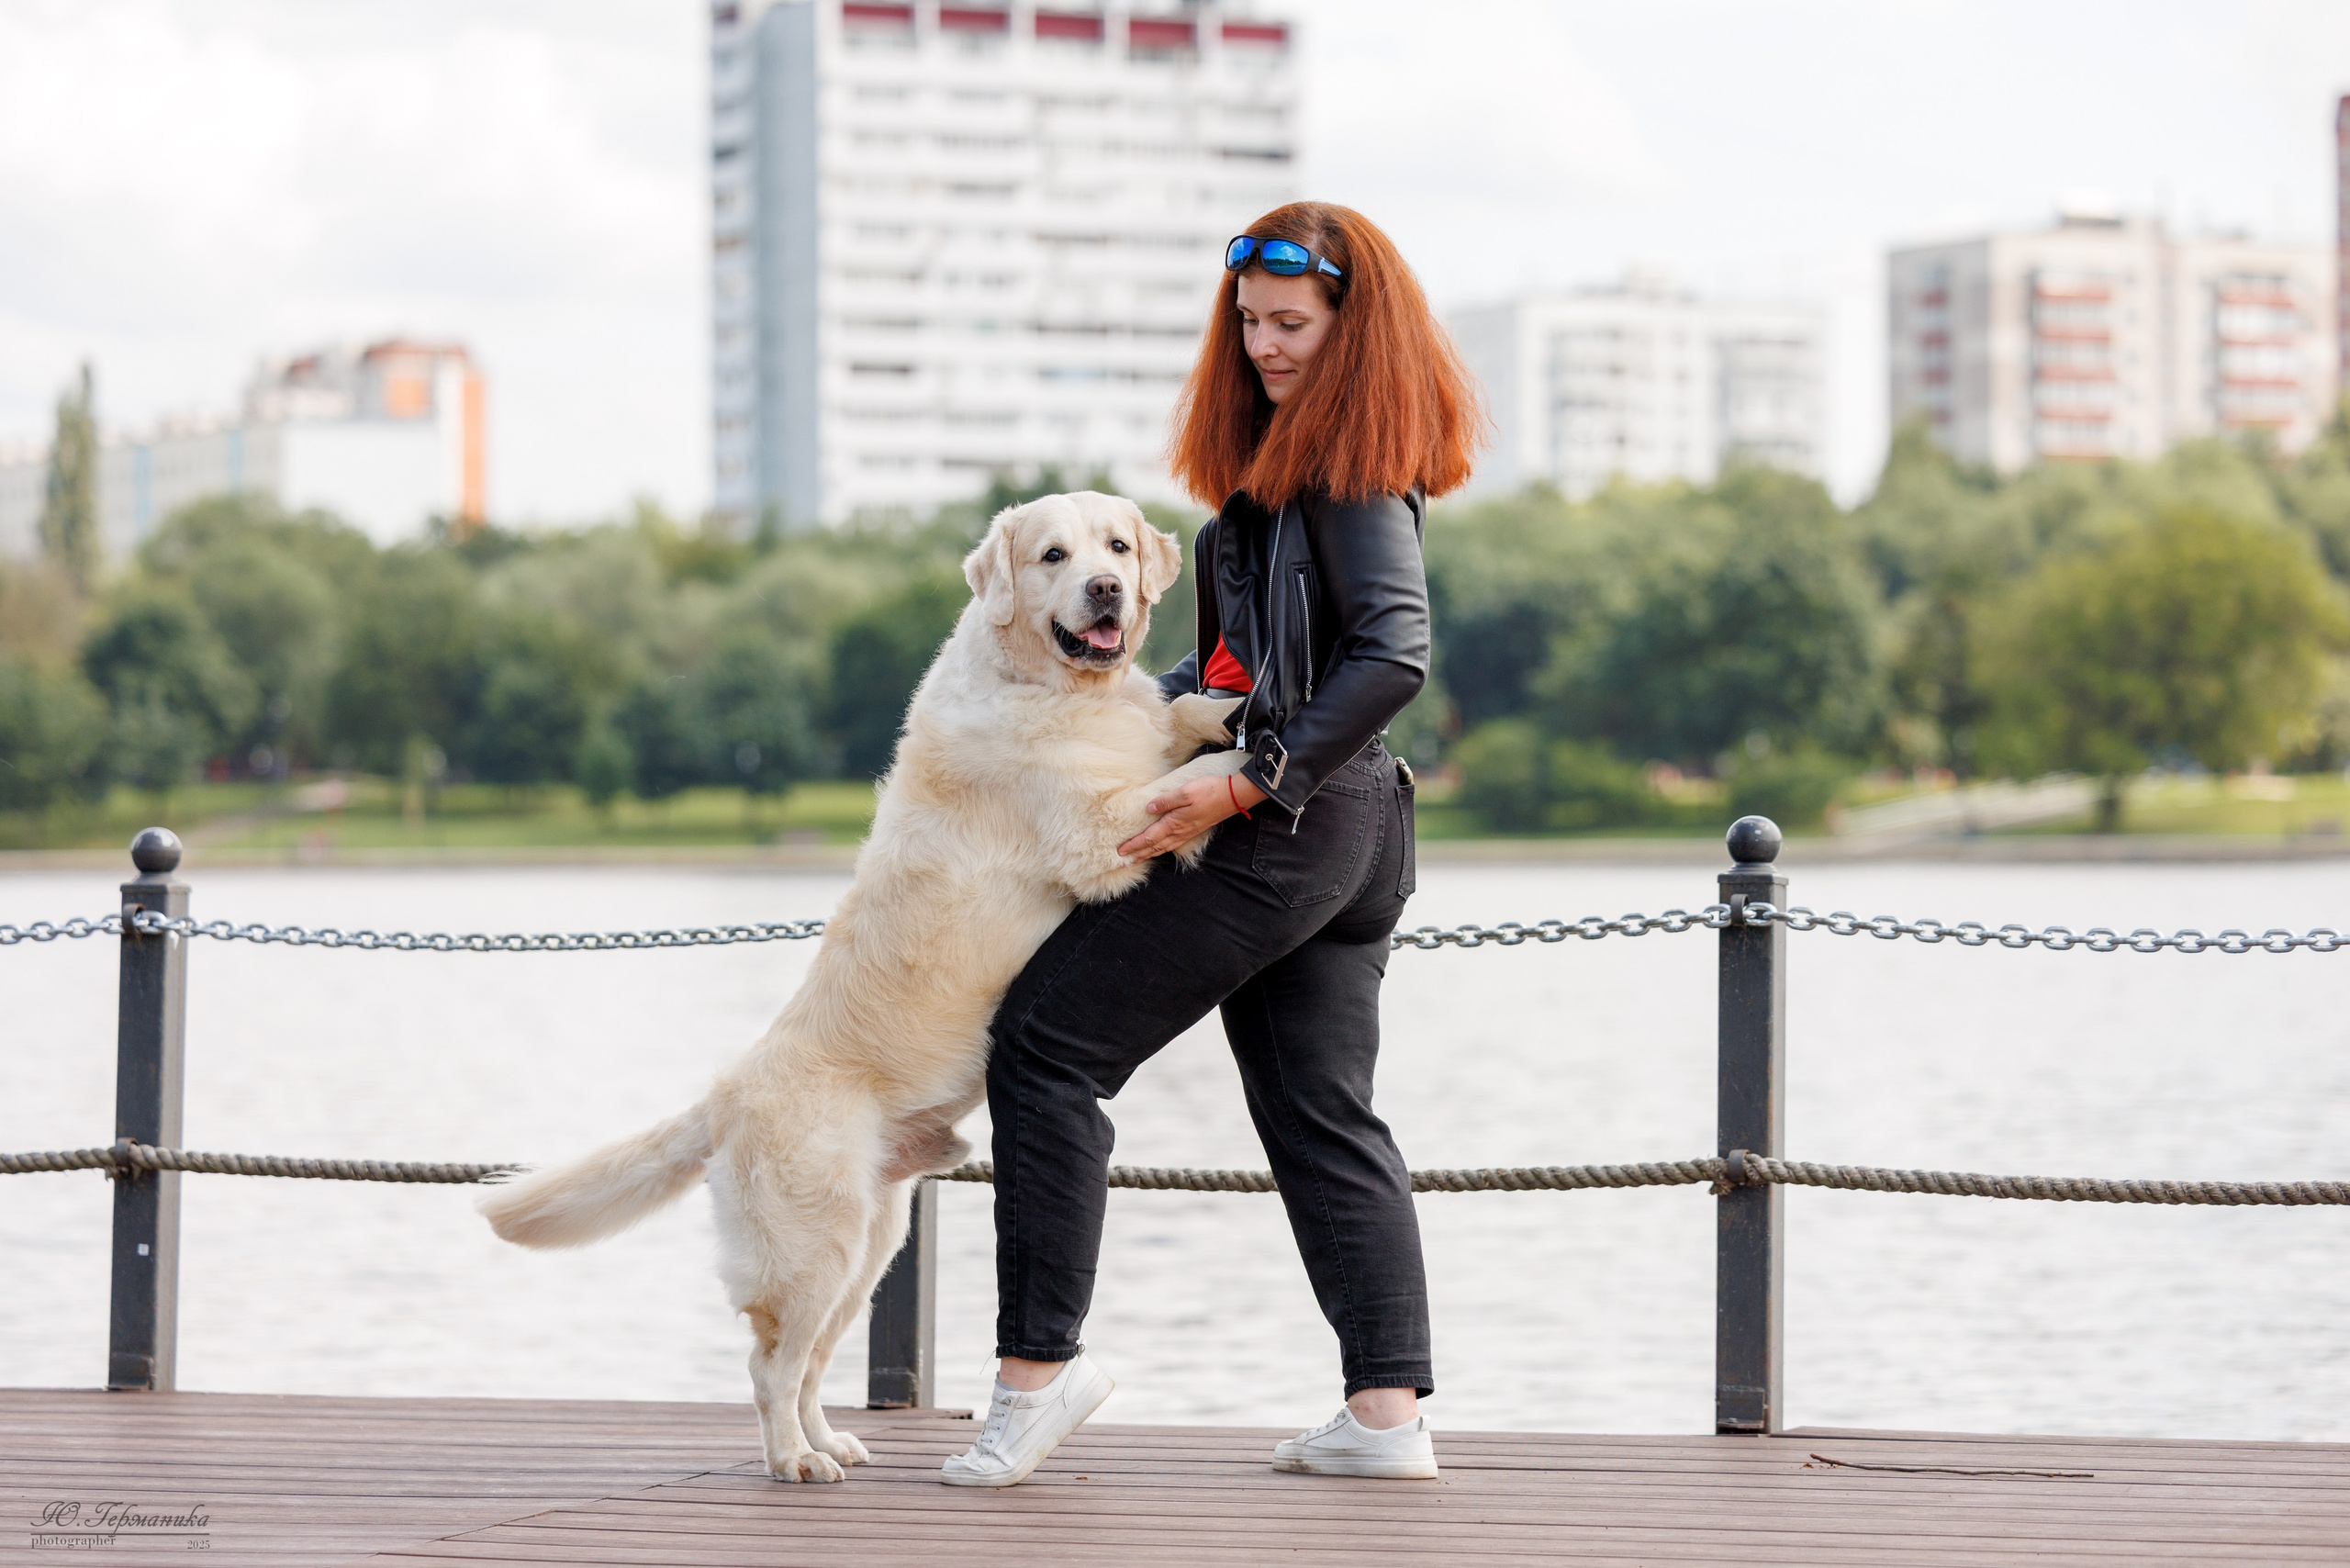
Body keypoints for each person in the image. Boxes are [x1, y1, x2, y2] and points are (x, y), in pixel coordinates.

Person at [940, 202, 1483, 1489]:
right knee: (1318, 1111)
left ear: (1358, 327)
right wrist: (1130, 712)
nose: (1265, 348)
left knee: (1045, 1047)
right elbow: (1244, 665)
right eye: (1249, 325)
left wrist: (1245, 787)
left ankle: (1036, 1377)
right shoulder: (1293, 467)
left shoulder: (1352, 471)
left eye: (1292, 324)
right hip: (1348, 827)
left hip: (1294, 820)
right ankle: (1387, 1418)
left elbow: (1394, 655)